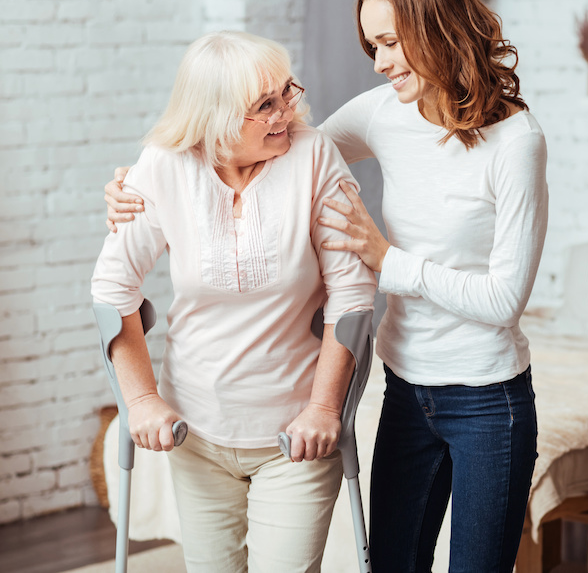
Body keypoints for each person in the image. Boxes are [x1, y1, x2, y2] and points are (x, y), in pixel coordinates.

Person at [104, 0, 548, 573]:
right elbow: (286, 150)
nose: (379, 61)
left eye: (391, 42)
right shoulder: (384, 111)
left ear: (438, 29)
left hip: (486, 395)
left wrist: (387, 261)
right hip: (407, 387)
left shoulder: (517, 143)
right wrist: (144, 181)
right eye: (373, 44)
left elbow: (504, 302)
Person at [93, 30, 376, 573]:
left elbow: (353, 294)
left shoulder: (314, 156)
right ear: (216, 118)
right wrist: (143, 399)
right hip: (195, 432)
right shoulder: (164, 166)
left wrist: (323, 409)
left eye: (285, 94)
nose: (285, 114)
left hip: (295, 435)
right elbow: (112, 289)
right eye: (264, 106)